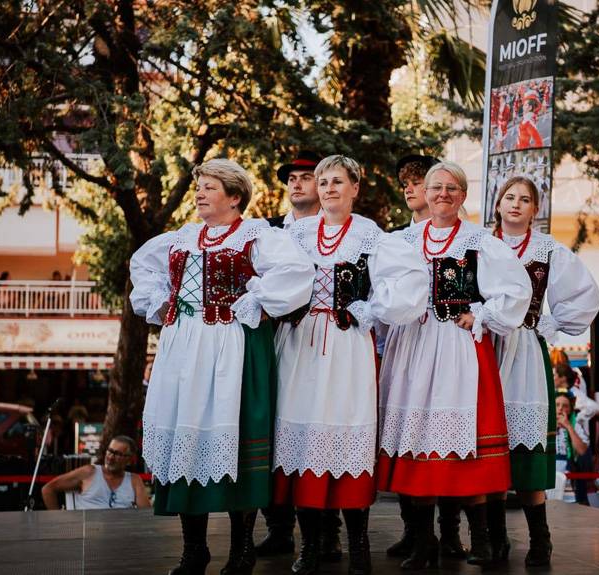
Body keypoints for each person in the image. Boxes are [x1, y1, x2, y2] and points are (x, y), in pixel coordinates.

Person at [130, 158, 314, 575]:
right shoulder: (182, 238)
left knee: (237, 438)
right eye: (199, 187)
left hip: (234, 345)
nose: (199, 194)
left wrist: (255, 301)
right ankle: (194, 549)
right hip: (183, 347)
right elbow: (142, 265)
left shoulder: (256, 236)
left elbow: (296, 272)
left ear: (234, 197)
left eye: (210, 187)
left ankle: (242, 549)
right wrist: (162, 301)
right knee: (185, 437)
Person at [273, 155, 427, 575]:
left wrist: (373, 308)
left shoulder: (370, 236)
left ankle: (358, 545)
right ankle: (310, 545)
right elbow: (271, 274)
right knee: (302, 436)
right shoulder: (297, 234)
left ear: (355, 187)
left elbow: (412, 279)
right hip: (301, 345)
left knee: (347, 433)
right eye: (323, 182)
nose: (328, 189)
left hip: (347, 346)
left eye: (337, 181)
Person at [377, 161, 532, 569]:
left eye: (451, 188)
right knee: (417, 441)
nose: (443, 194)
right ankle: (424, 541)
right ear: (425, 193)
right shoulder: (403, 241)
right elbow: (384, 290)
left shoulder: (479, 241)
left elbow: (516, 289)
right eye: (436, 187)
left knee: (465, 445)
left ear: (462, 195)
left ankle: (479, 539)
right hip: (413, 345)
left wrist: (480, 313)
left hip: (458, 347)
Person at [489, 175, 599, 566]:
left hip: (524, 352)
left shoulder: (547, 249)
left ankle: (540, 538)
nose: (516, 204)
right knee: (490, 448)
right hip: (485, 348)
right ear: (498, 204)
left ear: (535, 209)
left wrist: (547, 324)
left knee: (527, 448)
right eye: (509, 197)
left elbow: (585, 297)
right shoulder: (481, 244)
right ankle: (495, 538)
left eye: (525, 199)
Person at [259, 150, 344, 560]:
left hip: (327, 342)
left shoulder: (345, 230)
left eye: (306, 176)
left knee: (322, 427)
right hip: (279, 338)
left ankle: (328, 530)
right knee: (276, 428)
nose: (296, 183)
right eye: (291, 177)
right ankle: (279, 528)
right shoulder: (268, 230)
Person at [383, 153, 468, 561]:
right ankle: (415, 531)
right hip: (409, 342)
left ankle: (449, 533)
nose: (411, 189)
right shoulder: (399, 240)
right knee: (408, 432)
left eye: (418, 182)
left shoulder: (468, 238)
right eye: (408, 183)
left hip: (448, 341)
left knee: (444, 436)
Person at [42, 436, 150, 510]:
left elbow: (146, 514)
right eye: (110, 451)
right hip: (89, 533)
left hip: (122, 533)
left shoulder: (134, 480)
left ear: (130, 460)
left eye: (117, 454)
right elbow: (48, 489)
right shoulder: (89, 472)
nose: (110, 457)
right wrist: (58, 521)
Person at [268, 150, 323, 229]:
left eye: (306, 178)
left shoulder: (337, 228)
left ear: (322, 184)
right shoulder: (267, 228)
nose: (296, 186)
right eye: (292, 179)